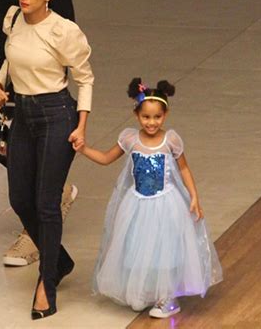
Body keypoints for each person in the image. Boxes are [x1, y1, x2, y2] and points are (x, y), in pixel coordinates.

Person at [0, 0, 94, 319]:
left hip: (56, 116)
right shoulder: (14, 19)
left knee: (47, 202)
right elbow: (10, 56)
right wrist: (0, 83)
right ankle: (59, 259)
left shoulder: (63, 31)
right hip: (24, 115)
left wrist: (81, 125)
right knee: (20, 198)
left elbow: (85, 78)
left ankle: (46, 284)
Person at [76, 78, 223, 318]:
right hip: (137, 204)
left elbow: (184, 169)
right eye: (146, 117)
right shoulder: (129, 139)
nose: (151, 122)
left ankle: (167, 297)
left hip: (166, 204)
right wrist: (83, 149)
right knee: (137, 248)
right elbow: (105, 158)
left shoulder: (171, 140)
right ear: (136, 115)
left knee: (165, 250)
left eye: (157, 117)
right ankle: (145, 289)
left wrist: (194, 196)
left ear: (165, 115)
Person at [0, 0, 78, 268]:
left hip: (35, 71)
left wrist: (49, 72)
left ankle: (33, 231)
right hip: (4, 61)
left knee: (22, 147)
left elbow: (64, 20)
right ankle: (53, 192)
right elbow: (3, 12)